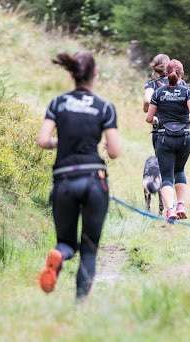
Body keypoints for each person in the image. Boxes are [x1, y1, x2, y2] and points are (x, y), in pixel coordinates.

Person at [36, 51, 121, 301]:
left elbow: (42, 140)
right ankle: (80, 304)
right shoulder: (104, 107)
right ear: (94, 74)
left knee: (66, 242)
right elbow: (115, 152)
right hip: (94, 180)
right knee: (89, 248)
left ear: (72, 74)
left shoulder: (57, 103)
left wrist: (61, 143)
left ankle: (59, 256)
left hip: (63, 180)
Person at [146, 59, 190, 221]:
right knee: (179, 171)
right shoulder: (188, 91)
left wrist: (155, 121)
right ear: (182, 73)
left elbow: (149, 117)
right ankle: (181, 204)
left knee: (166, 176)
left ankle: (170, 210)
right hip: (184, 138)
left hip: (164, 138)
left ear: (166, 73)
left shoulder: (158, 92)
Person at [143, 54, 188, 152]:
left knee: (162, 164)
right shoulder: (181, 83)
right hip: (181, 129)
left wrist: (148, 110)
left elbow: (147, 100)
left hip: (160, 129)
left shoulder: (152, 83)